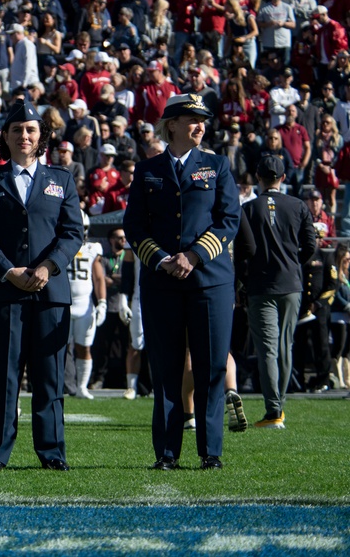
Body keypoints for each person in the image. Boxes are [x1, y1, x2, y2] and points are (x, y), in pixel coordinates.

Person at [123, 94, 240, 471]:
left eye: (202, 119)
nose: (200, 125)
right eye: (191, 118)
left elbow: (229, 220)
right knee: (167, 367)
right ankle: (167, 453)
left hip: (210, 281)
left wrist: (193, 256)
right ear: (170, 125)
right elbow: (134, 226)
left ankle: (211, 452)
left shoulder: (218, 165)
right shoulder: (147, 170)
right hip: (162, 282)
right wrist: (161, 259)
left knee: (210, 368)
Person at [0, 99, 83, 472]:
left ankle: (52, 454)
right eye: (17, 129)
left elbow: (73, 234)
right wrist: (8, 271)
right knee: (3, 377)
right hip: (5, 292)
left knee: (50, 379)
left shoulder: (61, 179)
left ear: (41, 136)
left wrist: (49, 267)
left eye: (31, 129)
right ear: (6, 136)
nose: (24, 135)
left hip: (51, 294)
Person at [241, 156, 315, 430]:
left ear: (258, 178)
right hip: (291, 284)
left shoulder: (248, 209)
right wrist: (294, 263)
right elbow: (310, 245)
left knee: (267, 350)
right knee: (285, 347)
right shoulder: (297, 205)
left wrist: (242, 280)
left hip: (261, 285)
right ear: (283, 178)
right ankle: (278, 408)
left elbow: (243, 250)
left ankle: (274, 411)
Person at [67, 213, 107, 400]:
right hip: (63, 303)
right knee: (58, 348)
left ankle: (82, 387)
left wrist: (102, 302)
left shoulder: (92, 248)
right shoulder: (61, 244)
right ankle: (60, 384)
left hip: (84, 304)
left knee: (84, 347)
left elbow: (98, 277)